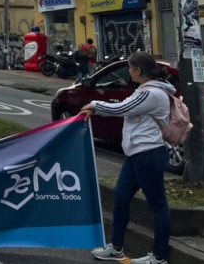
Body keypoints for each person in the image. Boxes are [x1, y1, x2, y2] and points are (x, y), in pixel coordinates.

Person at [83, 51, 173, 264]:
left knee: (159, 206)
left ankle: (159, 257)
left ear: (138, 70)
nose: (129, 72)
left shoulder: (152, 94)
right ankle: (116, 247)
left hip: (149, 154)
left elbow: (122, 108)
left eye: (130, 69)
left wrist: (95, 106)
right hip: (136, 155)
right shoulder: (146, 90)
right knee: (121, 197)